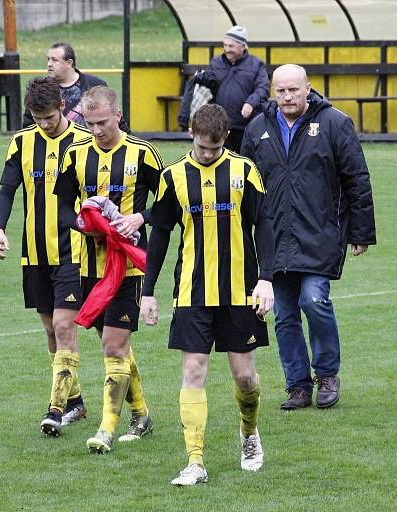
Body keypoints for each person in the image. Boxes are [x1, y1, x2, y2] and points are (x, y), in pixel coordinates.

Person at [140, 104, 274, 486]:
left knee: (245, 377)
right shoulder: (173, 177)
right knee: (193, 370)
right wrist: (148, 291)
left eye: (213, 149)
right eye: (201, 147)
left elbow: (263, 225)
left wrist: (265, 279)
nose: (207, 154)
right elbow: (162, 234)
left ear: (225, 139)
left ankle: (249, 433)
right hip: (191, 292)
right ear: (191, 136)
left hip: (240, 292)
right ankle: (195, 461)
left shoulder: (245, 171)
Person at [241, 64, 376, 411]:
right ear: (273, 91)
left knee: (314, 301)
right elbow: (243, 186)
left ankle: (327, 375)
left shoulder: (334, 123)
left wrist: (360, 231)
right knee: (284, 314)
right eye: (280, 90)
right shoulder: (257, 128)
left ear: (308, 89)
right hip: (273, 238)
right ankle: (298, 386)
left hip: (320, 233)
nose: (287, 96)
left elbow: (357, 178)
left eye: (293, 90)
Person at [54, 85, 162, 453]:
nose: (96, 130)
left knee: (114, 346)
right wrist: (82, 224)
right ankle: (142, 414)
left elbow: (167, 206)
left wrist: (138, 217)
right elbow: (63, 207)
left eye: (102, 122)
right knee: (112, 343)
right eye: (89, 122)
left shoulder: (143, 154)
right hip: (89, 268)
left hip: (129, 267)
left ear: (118, 115)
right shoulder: (76, 154)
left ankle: (106, 428)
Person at [0, 77, 92, 435]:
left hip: (73, 250)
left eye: (49, 117)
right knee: (51, 331)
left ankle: (55, 408)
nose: (44, 124)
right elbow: (7, 191)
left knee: (65, 326)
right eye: (37, 119)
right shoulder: (21, 143)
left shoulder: (84, 143)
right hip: (34, 252)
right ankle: (76, 401)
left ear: (62, 107)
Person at [193, 25, 269, 152]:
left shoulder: (257, 64)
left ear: (243, 46)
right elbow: (210, 84)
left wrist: (251, 103)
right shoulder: (216, 62)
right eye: (225, 45)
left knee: (245, 159)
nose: (226, 49)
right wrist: (202, 78)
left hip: (245, 125)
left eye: (231, 46)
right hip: (220, 125)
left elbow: (263, 88)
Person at [22, 42, 129, 131]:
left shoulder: (94, 84)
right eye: (48, 59)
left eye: (54, 60)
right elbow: (28, 124)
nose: (49, 64)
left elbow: (113, 117)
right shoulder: (40, 90)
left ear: (69, 63)